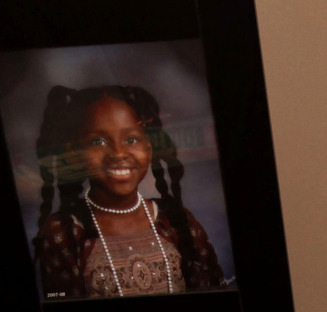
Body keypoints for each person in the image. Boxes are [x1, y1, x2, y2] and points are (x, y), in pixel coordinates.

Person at [30, 85, 226, 299]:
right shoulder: (65, 232)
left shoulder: (177, 221)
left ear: (149, 150)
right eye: (99, 141)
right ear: (76, 154)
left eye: (131, 139)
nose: (118, 153)